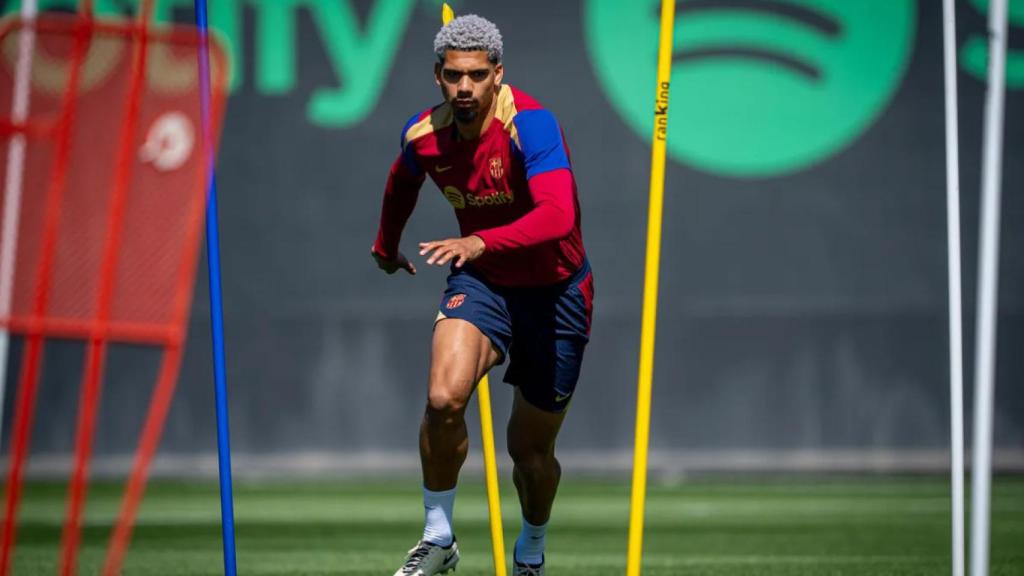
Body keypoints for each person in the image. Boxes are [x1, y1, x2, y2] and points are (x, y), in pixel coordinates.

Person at [371, 13, 593, 576]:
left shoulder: (532, 125)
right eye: (452, 76)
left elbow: (558, 216)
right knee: (444, 398)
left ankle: (531, 552)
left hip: (556, 292)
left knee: (529, 453)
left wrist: (478, 240)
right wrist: (386, 245)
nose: (464, 88)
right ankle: (439, 537)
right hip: (484, 283)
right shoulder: (425, 134)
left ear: (498, 73)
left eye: (476, 75)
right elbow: (401, 182)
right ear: (437, 75)